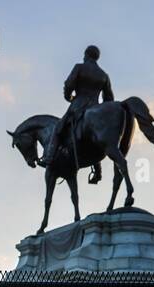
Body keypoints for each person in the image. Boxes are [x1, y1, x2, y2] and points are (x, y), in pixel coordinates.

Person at [39, 44, 113, 184]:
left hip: (78, 106)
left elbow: (69, 84)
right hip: (95, 108)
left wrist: (69, 97)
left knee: (58, 128)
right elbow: (109, 98)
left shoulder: (79, 67)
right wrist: (100, 110)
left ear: (86, 55)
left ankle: (49, 158)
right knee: (95, 138)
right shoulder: (104, 75)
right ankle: (98, 173)